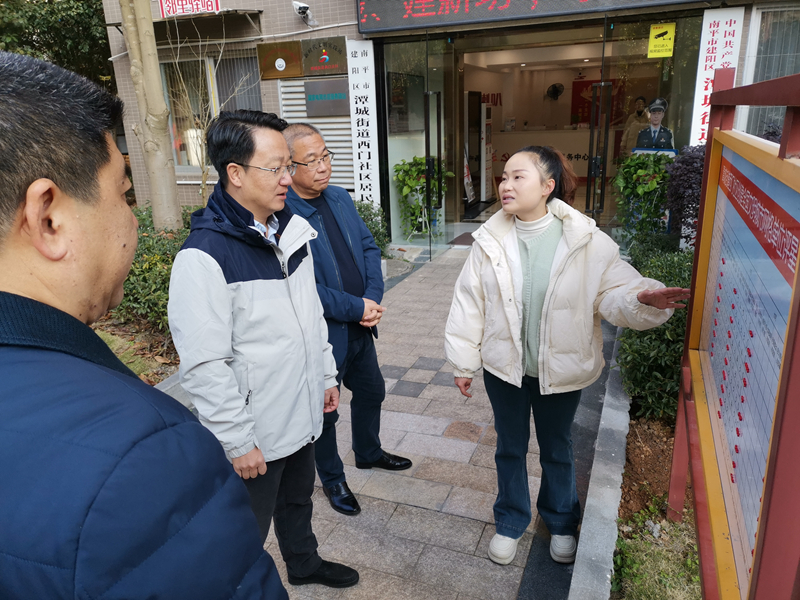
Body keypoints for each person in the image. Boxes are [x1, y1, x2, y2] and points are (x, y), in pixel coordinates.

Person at [0, 53, 287, 599]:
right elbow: (205, 360)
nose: (133, 220)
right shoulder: (145, 454)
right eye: (124, 193)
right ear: (48, 219)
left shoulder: (293, 230)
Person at [444, 145, 690, 566]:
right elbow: (469, 303)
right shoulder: (489, 240)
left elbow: (614, 292)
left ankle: (560, 521)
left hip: (561, 370)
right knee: (510, 447)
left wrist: (642, 299)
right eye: (504, 177)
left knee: (557, 447)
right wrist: (463, 362)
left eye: (518, 177)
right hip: (504, 370)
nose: (505, 185)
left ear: (547, 186)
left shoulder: (586, 240)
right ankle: (510, 521)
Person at [168, 110, 359, 589]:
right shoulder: (203, 256)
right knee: (243, 530)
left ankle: (304, 563)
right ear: (235, 172)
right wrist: (237, 440)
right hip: (255, 429)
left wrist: (325, 376)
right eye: (275, 168)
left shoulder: (291, 232)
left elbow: (310, 316)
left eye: (287, 166)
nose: (287, 178)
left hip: (300, 407)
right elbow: (204, 364)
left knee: (298, 499)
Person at [283, 123, 412, 516]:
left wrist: (371, 298)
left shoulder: (339, 197)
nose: (324, 166)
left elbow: (369, 247)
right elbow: (301, 288)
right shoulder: (285, 214)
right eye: (312, 161)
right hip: (325, 334)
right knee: (326, 410)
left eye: (326, 156)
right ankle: (333, 479)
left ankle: (368, 452)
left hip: (360, 326)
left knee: (372, 391)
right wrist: (356, 307)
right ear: (289, 167)